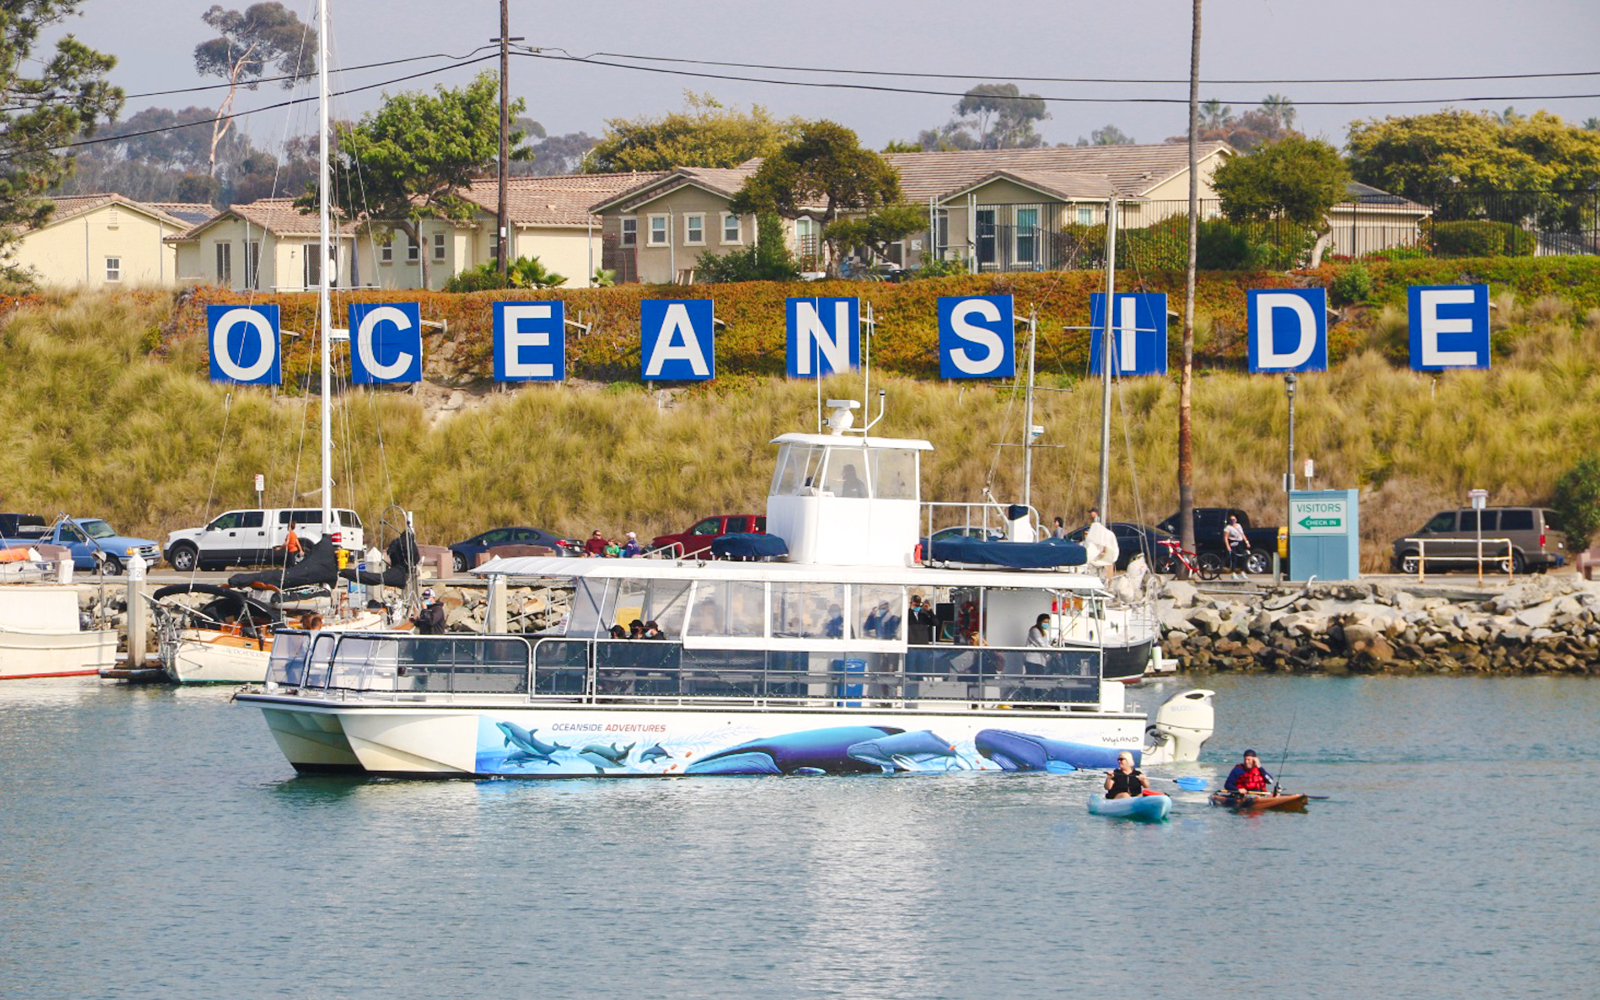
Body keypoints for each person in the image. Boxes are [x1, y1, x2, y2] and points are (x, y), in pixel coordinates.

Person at [1223, 515, 1250, 579]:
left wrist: (1246, 541)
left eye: (1234, 519)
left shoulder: (1239, 526)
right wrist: (1228, 546)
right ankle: (1233, 572)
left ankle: (1242, 571)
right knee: (1234, 558)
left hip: (1239, 543)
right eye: (1231, 519)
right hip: (1233, 543)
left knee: (1243, 556)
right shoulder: (1228, 528)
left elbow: (1242, 534)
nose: (1233, 521)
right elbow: (1225, 537)